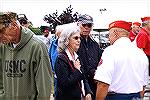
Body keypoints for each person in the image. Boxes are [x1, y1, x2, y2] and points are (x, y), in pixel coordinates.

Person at [0, 12, 53, 100]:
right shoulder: (3, 47)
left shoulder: (37, 47)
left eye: (1, 31)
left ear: (14, 26)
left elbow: (44, 87)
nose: (0, 36)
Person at [94, 20, 149, 100]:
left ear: (115, 33)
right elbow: (143, 86)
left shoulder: (110, 51)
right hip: (136, 96)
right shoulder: (140, 53)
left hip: (115, 97)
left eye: (109, 35)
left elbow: (103, 84)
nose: (109, 39)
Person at [55, 25, 93, 100]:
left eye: (79, 38)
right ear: (67, 40)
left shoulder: (77, 57)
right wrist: (77, 71)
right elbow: (64, 84)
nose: (79, 40)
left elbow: (83, 77)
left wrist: (88, 91)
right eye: (75, 38)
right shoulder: (61, 59)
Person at [77, 14, 103, 100]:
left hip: (95, 82)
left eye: (89, 25)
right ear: (78, 25)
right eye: (84, 25)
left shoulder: (94, 44)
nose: (86, 27)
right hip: (80, 83)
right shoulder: (75, 42)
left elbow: (100, 61)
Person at [48, 25, 63, 98]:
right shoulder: (53, 43)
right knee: (56, 93)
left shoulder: (67, 44)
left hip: (64, 74)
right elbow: (49, 57)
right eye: (58, 34)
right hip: (55, 74)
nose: (60, 37)